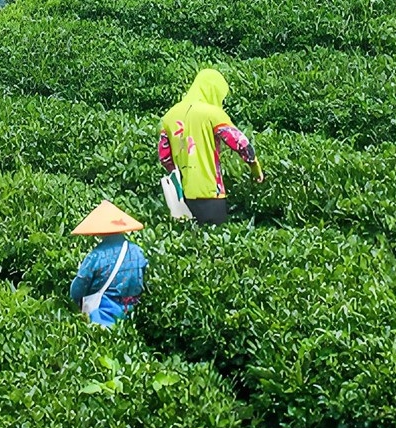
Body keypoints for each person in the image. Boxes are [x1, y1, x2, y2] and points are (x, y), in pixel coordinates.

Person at [158, 67, 260, 226]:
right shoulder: (213, 113)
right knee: (215, 242)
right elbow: (242, 144)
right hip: (211, 193)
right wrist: (255, 168)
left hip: (182, 195)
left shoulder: (169, 115)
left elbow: (164, 157)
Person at [67, 200, 148, 327]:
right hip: (132, 316)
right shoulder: (138, 252)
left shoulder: (96, 256)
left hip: (101, 317)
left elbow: (77, 291)